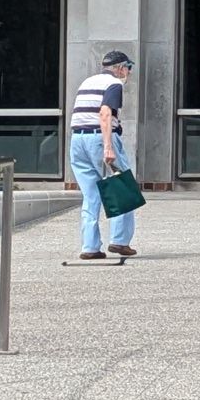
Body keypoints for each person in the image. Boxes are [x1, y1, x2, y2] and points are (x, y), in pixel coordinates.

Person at [70, 51, 137, 262]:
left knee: (91, 195)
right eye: (128, 68)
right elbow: (105, 113)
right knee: (122, 188)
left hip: (77, 140)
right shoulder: (114, 84)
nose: (128, 73)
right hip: (100, 138)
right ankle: (120, 240)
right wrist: (108, 146)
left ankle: (90, 246)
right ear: (119, 68)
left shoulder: (87, 82)